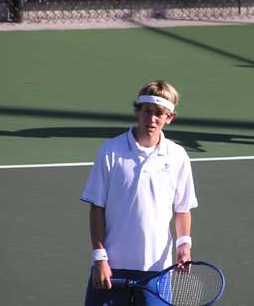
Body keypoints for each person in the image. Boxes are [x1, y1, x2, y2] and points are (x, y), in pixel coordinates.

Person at [80, 79, 198, 305]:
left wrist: (184, 245)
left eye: (159, 114)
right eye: (147, 111)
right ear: (137, 112)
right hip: (111, 267)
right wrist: (99, 258)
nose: (152, 119)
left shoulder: (178, 156)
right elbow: (97, 207)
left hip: (157, 269)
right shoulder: (110, 151)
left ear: (169, 118)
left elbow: (183, 208)